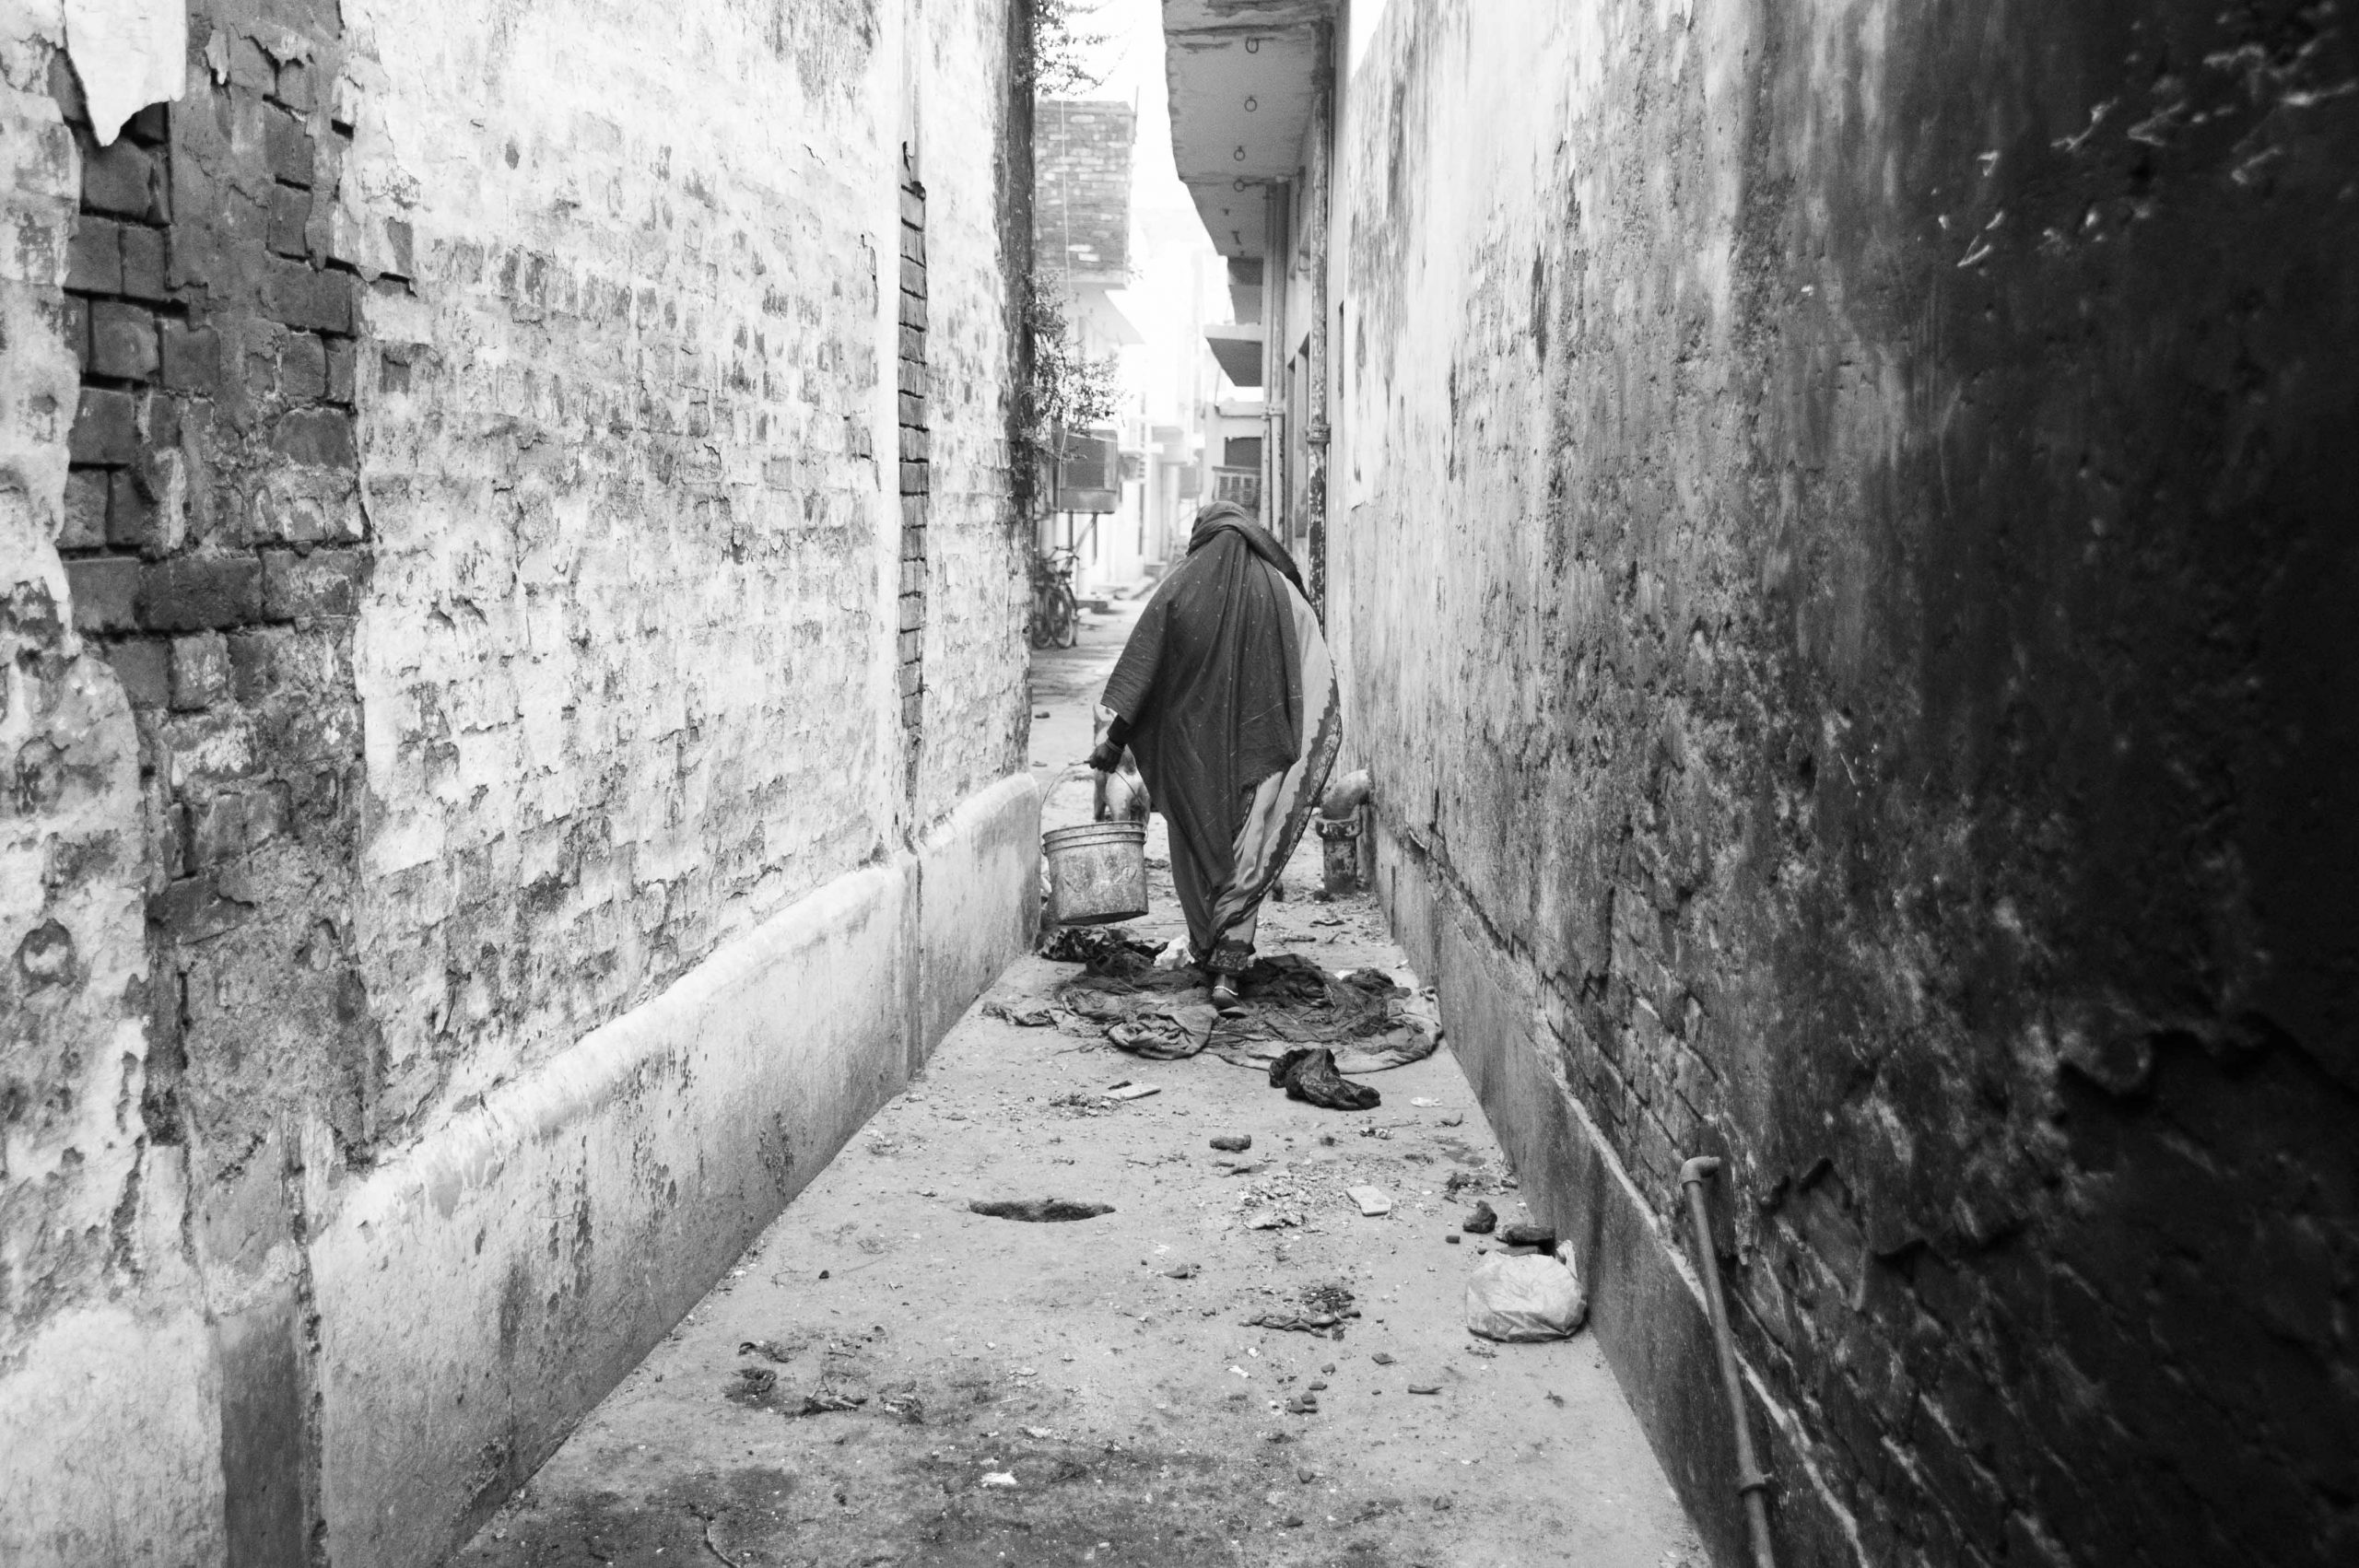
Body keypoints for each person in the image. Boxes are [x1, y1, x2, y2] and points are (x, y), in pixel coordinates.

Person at [1085, 500, 1342, 1005]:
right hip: (1264, 749)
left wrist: (1114, 743)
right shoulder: (1279, 591)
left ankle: (1208, 953)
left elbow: (1144, 671)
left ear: (1202, 537)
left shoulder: (1181, 586)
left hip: (1190, 758)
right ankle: (1229, 970)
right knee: (1247, 849)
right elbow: (1315, 665)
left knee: (1196, 850)